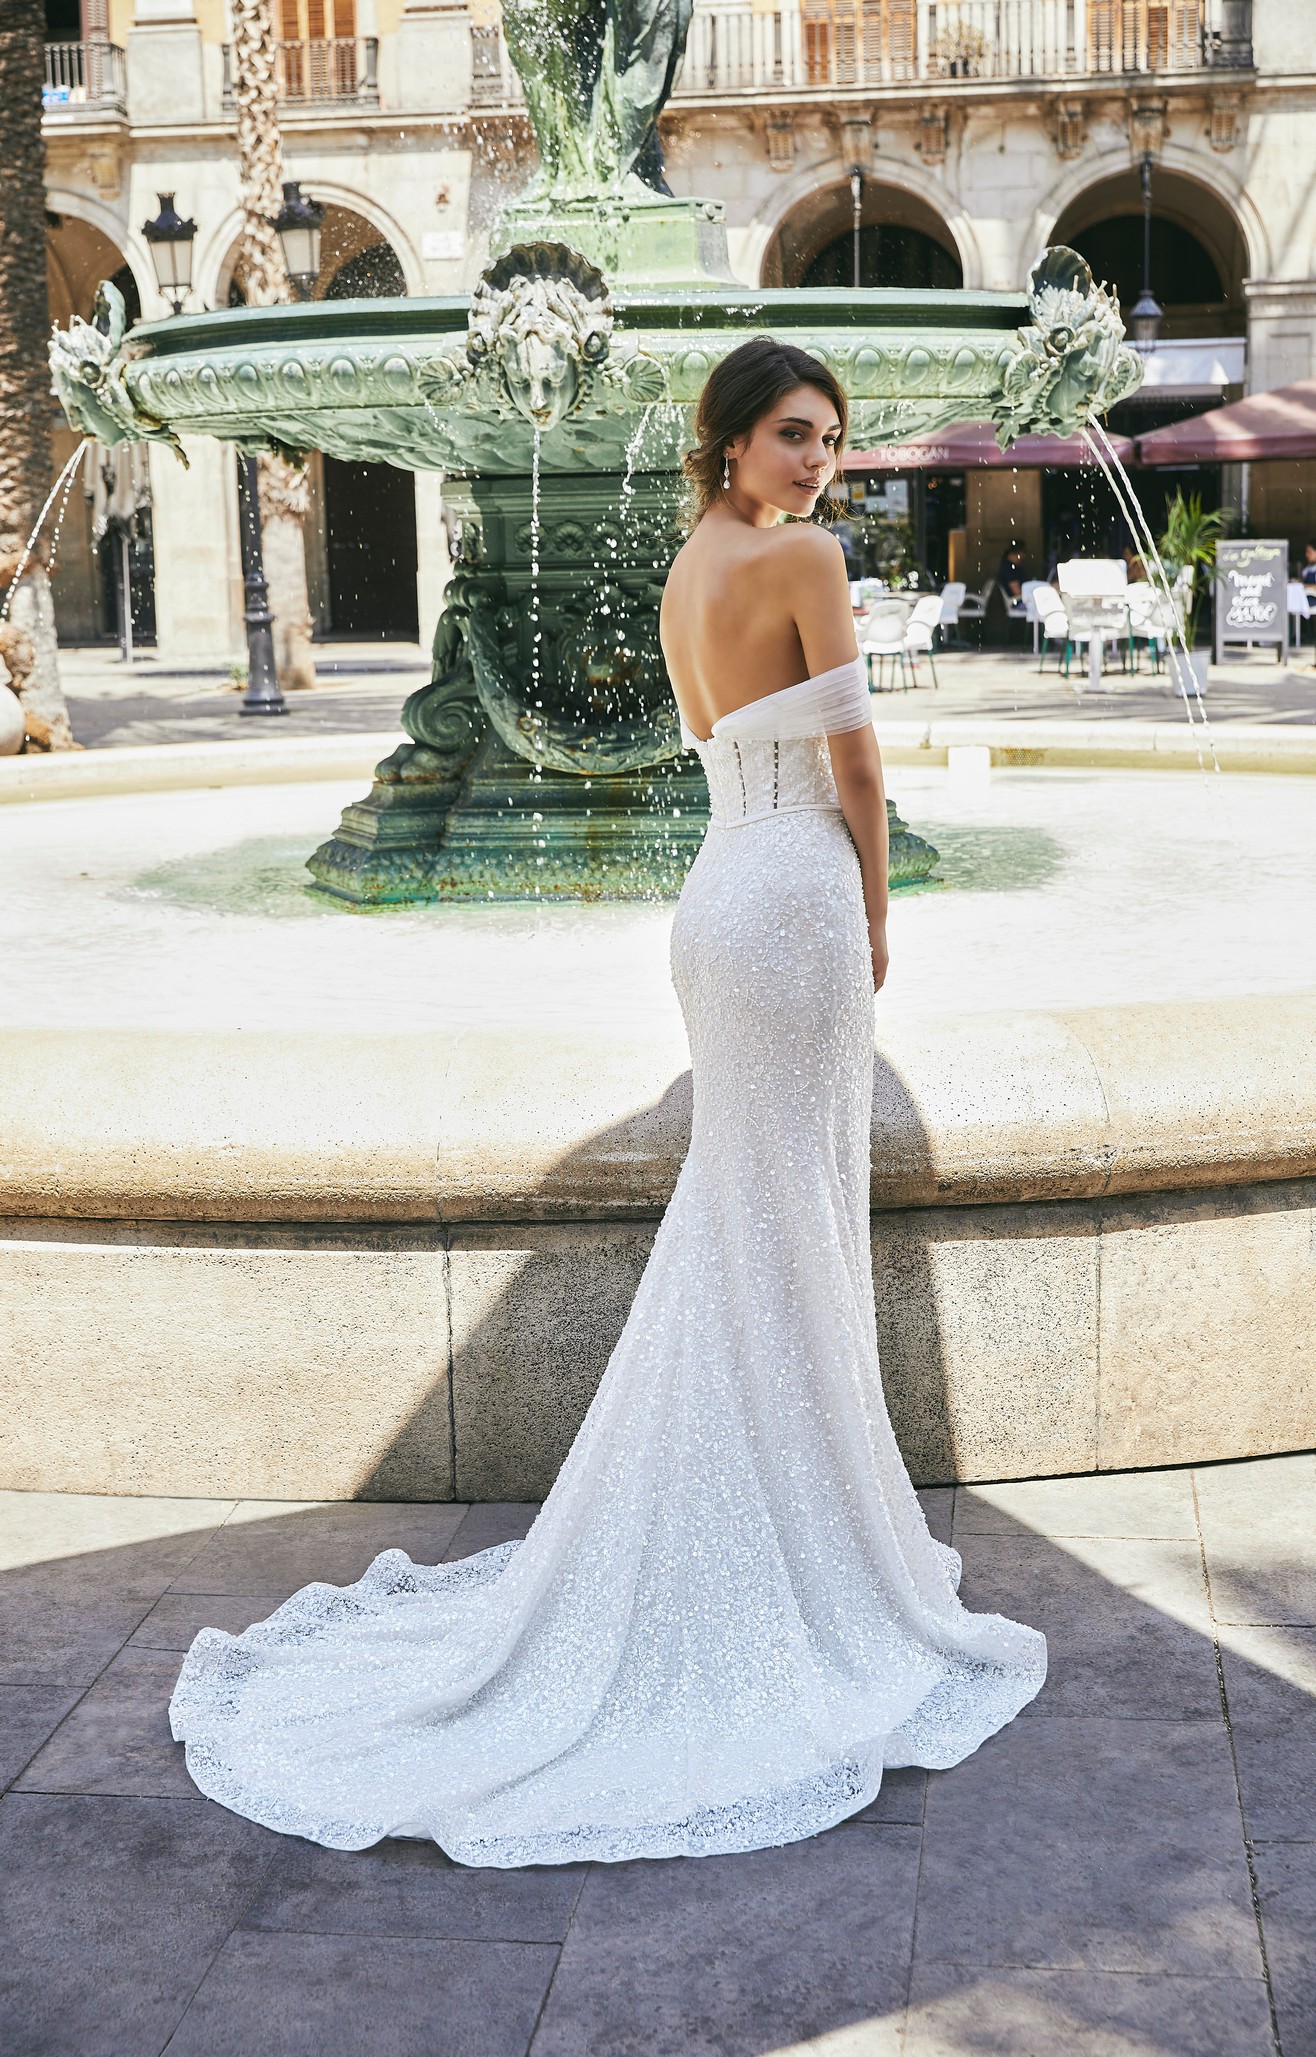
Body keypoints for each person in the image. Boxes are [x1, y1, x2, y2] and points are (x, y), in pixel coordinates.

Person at [168, 337, 1046, 1867]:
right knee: (789, 1219)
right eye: (791, 435)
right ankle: (802, 1549)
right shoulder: (806, 562)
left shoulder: (688, 572)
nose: (817, 461)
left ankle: (757, 1516)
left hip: (717, 902)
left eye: (830, 439)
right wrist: (881, 915)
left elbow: (732, 747)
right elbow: (855, 757)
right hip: (793, 906)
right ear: (727, 441)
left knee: (747, 1214)